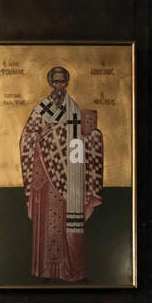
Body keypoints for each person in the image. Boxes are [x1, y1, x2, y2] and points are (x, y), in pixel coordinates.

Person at [19, 65, 104, 282]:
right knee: (47, 224)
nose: (59, 86)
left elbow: (78, 140)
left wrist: (91, 136)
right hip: (45, 178)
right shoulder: (41, 109)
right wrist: (42, 134)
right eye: (55, 81)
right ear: (50, 83)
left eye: (62, 81)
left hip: (67, 176)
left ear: (67, 83)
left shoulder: (74, 108)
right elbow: (27, 138)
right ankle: (46, 272)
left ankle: (69, 271)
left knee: (69, 225)